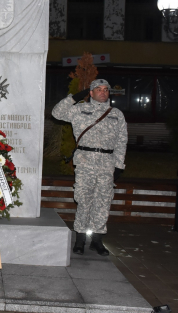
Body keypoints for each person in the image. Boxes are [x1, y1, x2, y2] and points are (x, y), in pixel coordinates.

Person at [52, 79, 127, 256]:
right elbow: (57, 113)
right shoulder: (79, 110)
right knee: (84, 200)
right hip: (85, 162)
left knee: (103, 202)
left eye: (106, 89)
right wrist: (74, 98)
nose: (103, 92)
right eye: (98, 89)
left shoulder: (116, 114)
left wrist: (119, 165)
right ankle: (80, 239)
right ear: (91, 93)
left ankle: (97, 240)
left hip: (107, 163)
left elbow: (122, 141)